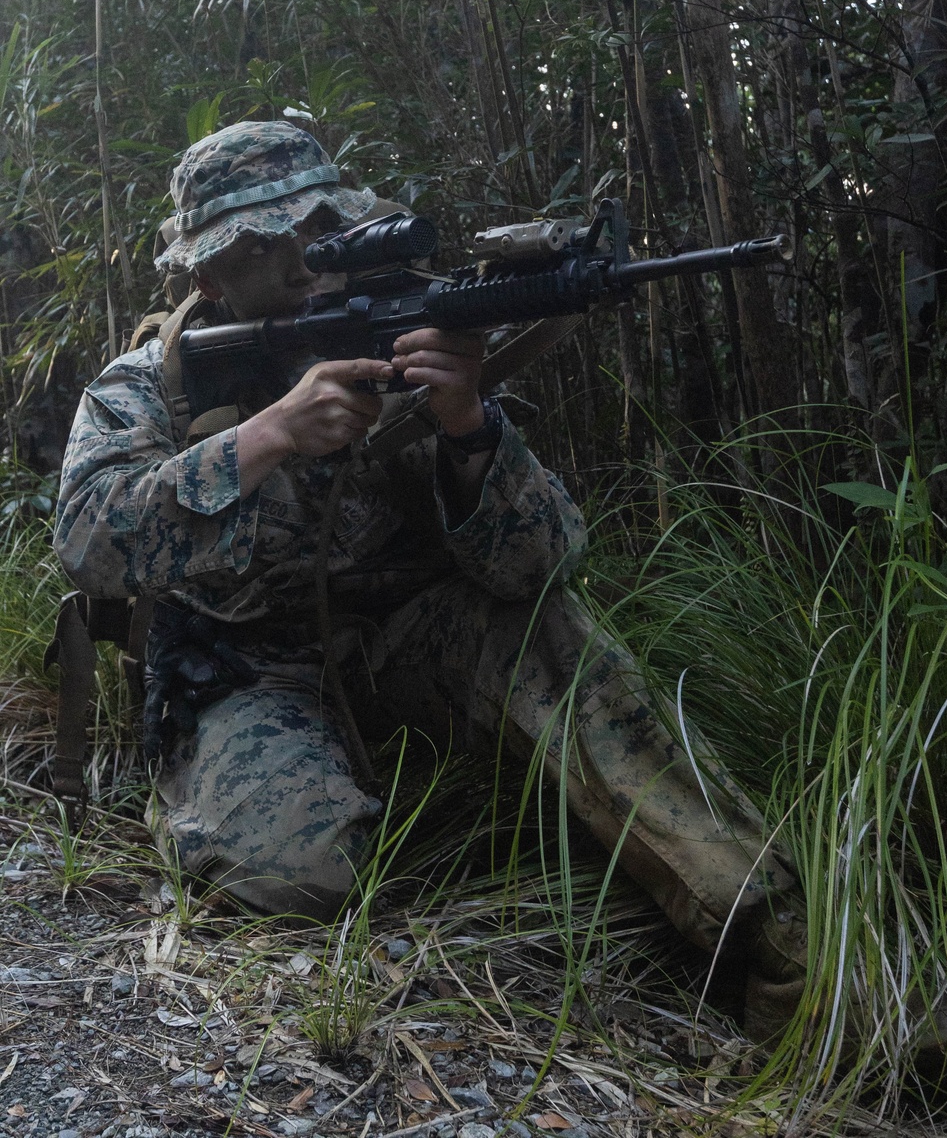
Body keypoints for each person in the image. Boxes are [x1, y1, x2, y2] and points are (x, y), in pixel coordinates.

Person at [54, 120, 807, 1039]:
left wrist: (466, 423)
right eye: (260, 246)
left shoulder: (411, 331)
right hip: (249, 668)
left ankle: (786, 945)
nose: (302, 262)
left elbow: (536, 567)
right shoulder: (150, 383)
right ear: (207, 277)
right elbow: (90, 540)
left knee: (550, 632)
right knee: (295, 884)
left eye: (319, 228)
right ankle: (246, 800)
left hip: (418, 638)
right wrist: (268, 436)